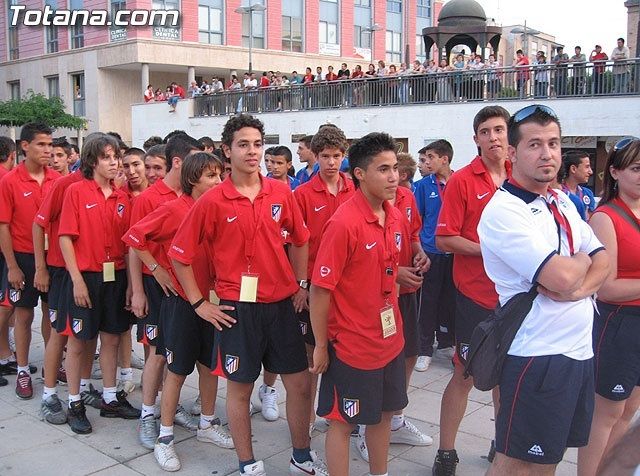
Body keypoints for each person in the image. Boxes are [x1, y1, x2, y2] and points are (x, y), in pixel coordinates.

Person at [169, 114, 325, 476]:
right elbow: (180, 255)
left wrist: (301, 284)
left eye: (258, 144)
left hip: (281, 305)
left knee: (300, 385)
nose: (253, 151)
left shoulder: (281, 192)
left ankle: (301, 457)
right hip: (236, 308)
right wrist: (198, 303)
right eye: (243, 144)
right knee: (239, 389)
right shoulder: (213, 200)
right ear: (227, 151)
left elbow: (301, 240)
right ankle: (247, 463)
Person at [479, 104, 609, 475]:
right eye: (534, 144)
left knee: (546, 461)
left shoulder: (560, 200)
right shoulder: (505, 212)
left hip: (577, 351)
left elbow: (604, 260)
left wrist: (576, 273)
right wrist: (580, 267)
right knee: (517, 462)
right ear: (513, 153)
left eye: (553, 143)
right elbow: (567, 275)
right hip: (537, 355)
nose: (547, 152)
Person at [123, 152, 234, 470]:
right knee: (176, 370)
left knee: (210, 366)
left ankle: (207, 424)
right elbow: (134, 237)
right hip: (182, 303)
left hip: (213, 303)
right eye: (211, 176)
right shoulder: (173, 209)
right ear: (192, 179)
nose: (218, 181)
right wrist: (156, 269)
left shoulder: (219, 209)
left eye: (219, 175)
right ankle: (165, 437)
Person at [309, 132, 408, 476]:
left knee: (383, 414)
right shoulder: (344, 223)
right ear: (360, 174)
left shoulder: (393, 215)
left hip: (389, 340)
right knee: (343, 423)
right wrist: (321, 345)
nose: (393, 176)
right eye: (383, 169)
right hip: (351, 345)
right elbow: (321, 290)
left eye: (395, 168)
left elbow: (387, 270)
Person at [432, 106, 512, 475]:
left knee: (507, 378)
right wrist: (489, 250)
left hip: (516, 298)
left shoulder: (521, 176)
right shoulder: (463, 181)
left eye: (499, 129)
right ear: (476, 138)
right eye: (486, 131)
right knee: (464, 376)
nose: (493, 137)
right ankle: (446, 452)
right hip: (475, 298)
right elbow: (445, 238)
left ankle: (504, 443)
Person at [57, 133, 141, 434]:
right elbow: (65, 237)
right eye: (107, 157)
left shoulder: (123, 197)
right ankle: (75, 402)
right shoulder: (77, 192)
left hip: (116, 277)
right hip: (87, 277)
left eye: (116, 156)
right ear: (92, 160)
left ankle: (109, 398)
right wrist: (77, 280)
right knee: (79, 342)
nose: (115, 162)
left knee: (113, 338)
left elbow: (131, 244)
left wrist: (132, 285)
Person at [128, 134, 203, 448]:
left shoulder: (196, 196)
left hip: (187, 290)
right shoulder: (150, 197)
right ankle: (148, 414)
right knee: (157, 354)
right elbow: (134, 245)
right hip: (158, 287)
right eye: (196, 160)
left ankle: (170, 409)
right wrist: (139, 290)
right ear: (179, 162)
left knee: (181, 356)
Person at [577, 137, 640, 476]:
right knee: (606, 414)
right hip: (619, 324)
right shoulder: (605, 217)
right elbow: (606, 288)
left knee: (629, 411)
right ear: (615, 172)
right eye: (635, 169)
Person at [293, 125, 355, 435]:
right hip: (315, 287)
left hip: (348, 288)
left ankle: (343, 415)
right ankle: (304, 422)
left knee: (345, 351)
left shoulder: (354, 189)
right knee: (312, 356)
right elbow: (295, 242)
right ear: (315, 157)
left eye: (337, 156)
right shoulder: (302, 194)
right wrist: (301, 284)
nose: (331, 162)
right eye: (325, 156)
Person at [0, 123, 59, 399]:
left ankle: (52, 364)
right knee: (23, 314)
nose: (48, 150)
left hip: (52, 257)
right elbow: (3, 226)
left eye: (50, 145)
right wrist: (11, 265)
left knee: (51, 313)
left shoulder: (56, 180)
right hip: (22, 257)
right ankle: (23, 369)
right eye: (42, 145)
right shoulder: (9, 181)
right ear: (25, 146)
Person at [413, 140, 456, 373]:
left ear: (444, 159)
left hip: (456, 253)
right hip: (431, 252)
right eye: (425, 157)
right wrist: (419, 252)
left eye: (430, 157)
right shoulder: (422, 186)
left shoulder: (460, 183)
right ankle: (425, 349)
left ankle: (449, 343)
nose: (426, 161)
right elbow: (415, 224)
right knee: (427, 303)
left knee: (453, 302)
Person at [560, 150, 596, 221]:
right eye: (587, 167)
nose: (590, 172)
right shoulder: (557, 193)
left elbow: (590, 222)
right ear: (573, 169)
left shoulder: (587, 193)